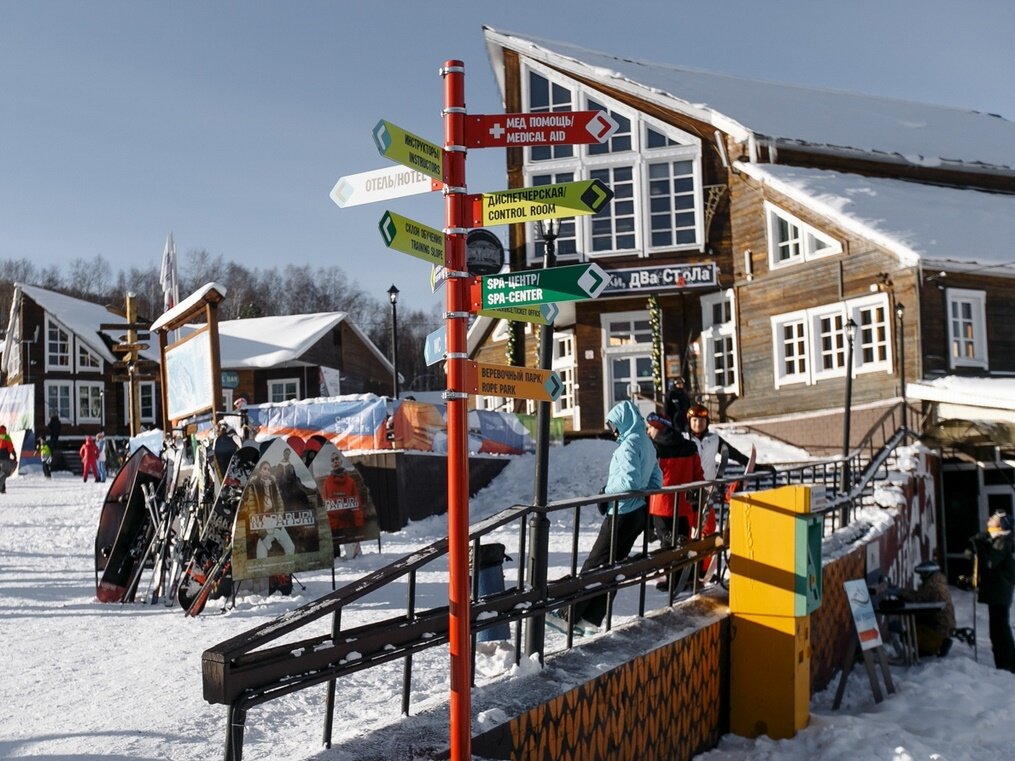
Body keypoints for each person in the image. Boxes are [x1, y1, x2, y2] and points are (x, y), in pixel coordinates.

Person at [550, 400, 662, 635]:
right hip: (638, 514)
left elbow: (628, 482)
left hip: (622, 512)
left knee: (594, 565)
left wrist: (605, 493)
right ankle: (590, 619)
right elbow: (656, 482)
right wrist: (640, 496)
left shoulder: (629, 445)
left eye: (614, 425)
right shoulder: (647, 444)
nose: (613, 431)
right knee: (613, 569)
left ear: (623, 421)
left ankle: (568, 616)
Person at [645, 412, 703, 547]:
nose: (648, 431)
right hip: (683, 505)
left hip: (660, 504)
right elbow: (698, 475)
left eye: (651, 427)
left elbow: (647, 479)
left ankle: (668, 541)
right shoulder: (690, 447)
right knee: (682, 545)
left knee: (666, 544)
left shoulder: (654, 448)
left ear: (659, 427)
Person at [967, 512, 1015, 672]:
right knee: (997, 629)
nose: (989, 520)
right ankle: (1004, 663)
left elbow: (989, 563)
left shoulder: (1002, 542)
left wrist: (982, 546)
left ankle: (1007, 664)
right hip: (997, 591)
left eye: (994, 519)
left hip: (1000, 591)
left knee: (1000, 629)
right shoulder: (996, 540)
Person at [900, 560, 956, 657]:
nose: (921, 577)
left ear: (927, 573)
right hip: (943, 626)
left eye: (922, 574)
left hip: (938, 628)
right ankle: (934, 644)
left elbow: (917, 598)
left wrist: (900, 592)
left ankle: (933, 646)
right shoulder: (938, 582)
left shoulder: (932, 585)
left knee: (906, 636)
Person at [245, 461, 296, 559]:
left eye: (268, 469)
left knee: (290, 547)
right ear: (260, 471)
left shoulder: (273, 484)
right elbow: (252, 508)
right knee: (261, 555)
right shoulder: (254, 486)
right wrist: (259, 527)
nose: (267, 471)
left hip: (275, 520)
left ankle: (286, 568)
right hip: (262, 522)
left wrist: (279, 517)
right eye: (264, 469)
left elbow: (280, 503)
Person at [319, 452, 365, 559]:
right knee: (336, 558)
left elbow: (356, 502)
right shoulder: (327, 483)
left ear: (341, 461)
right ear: (331, 464)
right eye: (333, 460)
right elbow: (325, 502)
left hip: (348, 522)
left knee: (354, 557)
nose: (335, 461)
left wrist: (358, 522)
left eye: (337, 459)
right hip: (334, 523)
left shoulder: (350, 481)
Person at [0, 426, 17, 494]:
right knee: (3, 473)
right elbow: (10, 447)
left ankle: (2, 488)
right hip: (4, 458)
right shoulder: (6, 437)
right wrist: (14, 455)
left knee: (1, 474)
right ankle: (2, 489)